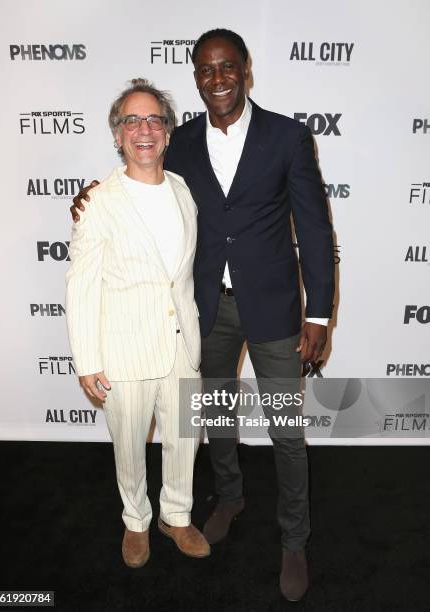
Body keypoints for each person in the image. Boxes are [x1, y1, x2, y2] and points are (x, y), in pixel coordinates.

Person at [71, 30, 334, 601]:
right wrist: (88, 195)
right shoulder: (180, 139)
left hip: (276, 312)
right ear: (195, 77)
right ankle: (231, 498)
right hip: (205, 312)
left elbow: (314, 229)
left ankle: (294, 538)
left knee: (287, 431)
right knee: (213, 419)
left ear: (245, 70)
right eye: (206, 69)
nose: (217, 78)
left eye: (227, 67)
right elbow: (138, 182)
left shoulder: (288, 137)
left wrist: (320, 315)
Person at [65, 78, 210, 569]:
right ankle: (136, 520)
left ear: (167, 134)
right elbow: (81, 286)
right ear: (118, 134)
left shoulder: (183, 189)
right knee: (128, 444)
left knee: (184, 439)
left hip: (182, 345)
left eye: (154, 120)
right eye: (132, 120)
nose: (143, 129)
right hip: (124, 350)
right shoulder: (99, 201)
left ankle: (177, 514)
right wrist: (87, 361)